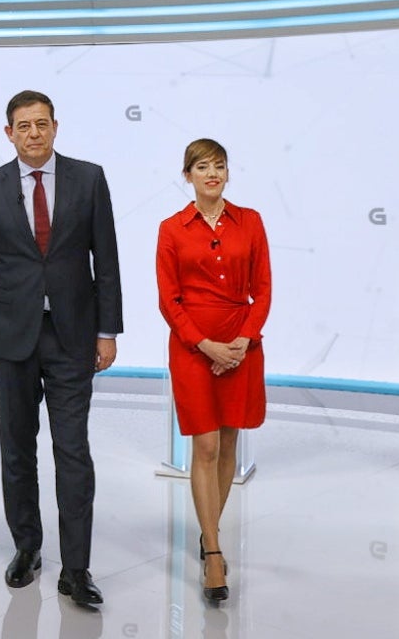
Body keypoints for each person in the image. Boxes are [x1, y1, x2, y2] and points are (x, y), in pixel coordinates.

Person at [0, 89, 122, 606]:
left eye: (41, 124)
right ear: (8, 133)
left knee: (73, 450)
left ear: (56, 126)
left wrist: (108, 331)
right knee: (16, 449)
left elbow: (107, 258)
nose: (33, 133)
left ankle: (76, 568)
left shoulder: (89, 178)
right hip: (10, 338)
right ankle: (27, 548)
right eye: (23, 126)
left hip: (73, 335)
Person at [155, 138, 271, 603]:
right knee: (203, 443)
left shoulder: (251, 222)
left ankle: (209, 532)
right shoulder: (171, 228)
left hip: (242, 343)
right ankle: (215, 554)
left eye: (219, 166)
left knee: (227, 442)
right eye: (202, 167)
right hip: (193, 346)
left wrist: (242, 340)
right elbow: (168, 297)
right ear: (187, 175)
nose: (212, 174)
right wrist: (204, 344)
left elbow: (262, 289)